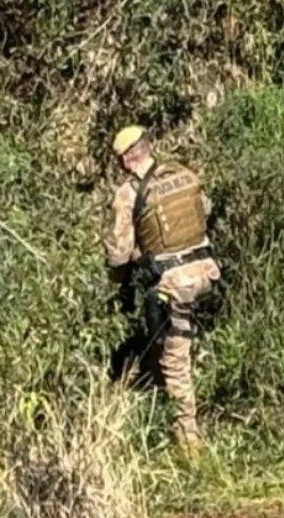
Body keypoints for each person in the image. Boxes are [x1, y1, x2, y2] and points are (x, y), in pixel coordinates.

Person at [104, 125, 221, 453]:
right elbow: (205, 211)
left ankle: (189, 445)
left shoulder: (128, 193)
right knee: (174, 336)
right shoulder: (182, 174)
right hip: (208, 273)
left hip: (175, 283)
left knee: (175, 359)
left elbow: (119, 254)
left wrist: (120, 285)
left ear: (127, 160)